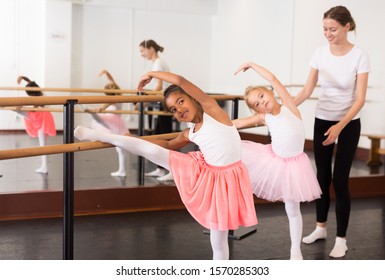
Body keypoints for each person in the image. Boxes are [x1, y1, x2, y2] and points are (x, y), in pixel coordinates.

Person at [74, 71, 258, 260]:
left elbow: (180, 80)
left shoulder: (213, 110)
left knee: (219, 238)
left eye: (180, 101)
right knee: (153, 152)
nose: (179, 110)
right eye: (173, 110)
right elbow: (169, 146)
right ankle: (101, 135)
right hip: (205, 173)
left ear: (193, 98)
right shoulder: (189, 133)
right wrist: (137, 139)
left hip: (226, 179)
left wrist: (152, 74)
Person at [294, 6, 370, 258]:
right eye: (325, 29)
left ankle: (341, 238)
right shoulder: (319, 53)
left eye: (333, 29)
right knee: (322, 178)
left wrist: (340, 126)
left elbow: (359, 99)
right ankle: (320, 228)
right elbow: (306, 90)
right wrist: (284, 107)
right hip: (322, 119)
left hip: (348, 123)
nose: (327, 33)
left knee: (340, 180)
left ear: (347, 26)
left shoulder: (359, 56)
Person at [232, 62, 322, 260]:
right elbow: (238, 123)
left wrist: (252, 65)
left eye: (262, 96)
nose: (261, 103)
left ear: (271, 93)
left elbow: (272, 78)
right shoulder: (264, 118)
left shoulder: (289, 106)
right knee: (290, 208)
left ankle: (295, 250)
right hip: (274, 161)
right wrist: (217, 126)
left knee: (292, 209)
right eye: (256, 104)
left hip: (295, 165)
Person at [81, 69, 130, 177]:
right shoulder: (119, 94)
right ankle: (122, 170)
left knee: (100, 120)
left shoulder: (114, 99)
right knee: (120, 149)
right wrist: (107, 74)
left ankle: (90, 111)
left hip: (114, 121)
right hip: (115, 121)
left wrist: (101, 108)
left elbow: (108, 102)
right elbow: (113, 83)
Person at [139, 39, 174, 182]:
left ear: (151, 49)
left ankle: (172, 169)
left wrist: (146, 99)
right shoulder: (157, 63)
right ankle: (161, 169)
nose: (142, 54)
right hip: (163, 101)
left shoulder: (158, 63)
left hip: (166, 101)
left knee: (164, 136)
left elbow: (159, 85)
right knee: (159, 135)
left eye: (142, 51)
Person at [16, 76, 57, 174]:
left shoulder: (38, 98)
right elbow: (31, 82)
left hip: (42, 119)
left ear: (32, 93)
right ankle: (44, 167)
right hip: (40, 117)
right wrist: (22, 77)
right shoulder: (38, 90)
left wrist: (22, 106)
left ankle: (44, 167)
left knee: (43, 146)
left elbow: (34, 109)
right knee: (42, 145)